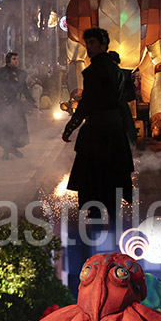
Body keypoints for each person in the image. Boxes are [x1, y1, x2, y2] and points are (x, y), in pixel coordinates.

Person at [62, 27, 133, 219]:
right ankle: (112, 214)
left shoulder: (93, 71)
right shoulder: (118, 71)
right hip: (115, 128)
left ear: (103, 45)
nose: (88, 47)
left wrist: (70, 127)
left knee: (93, 174)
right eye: (87, 43)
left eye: (92, 43)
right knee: (113, 171)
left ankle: (95, 215)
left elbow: (87, 104)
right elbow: (123, 101)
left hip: (97, 129)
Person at [0, 52, 35, 161]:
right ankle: (7, 151)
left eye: (17, 59)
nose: (16, 61)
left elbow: (24, 88)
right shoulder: (1, 73)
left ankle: (11, 148)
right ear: (8, 60)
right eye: (14, 59)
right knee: (5, 127)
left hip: (16, 104)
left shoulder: (20, 73)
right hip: (4, 103)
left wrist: (31, 101)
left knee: (16, 127)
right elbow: (2, 87)